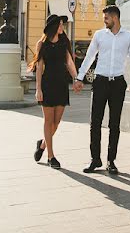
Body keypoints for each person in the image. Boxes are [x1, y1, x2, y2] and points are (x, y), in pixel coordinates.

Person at [73, 5, 130, 175]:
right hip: (100, 81)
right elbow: (89, 57)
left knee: (114, 124)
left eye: (106, 18)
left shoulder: (129, 37)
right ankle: (95, 159)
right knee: (95, 122)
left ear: (115, 18)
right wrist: (80, 77)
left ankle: (111, 161)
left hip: (118, 83)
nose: (104, 21)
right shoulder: (99, 35)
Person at [29, 14, 77, 169]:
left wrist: (76, 78)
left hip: (62, 84)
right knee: (48, 121)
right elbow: (39, 68)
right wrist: (38, 89)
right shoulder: (41, 44)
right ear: (54, 26)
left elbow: (69, 62)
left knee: (56, 122)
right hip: (47, 84)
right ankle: (51, 156)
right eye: (61, 25)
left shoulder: (64, 42)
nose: (63, 27)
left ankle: (42, 144)